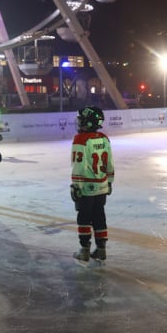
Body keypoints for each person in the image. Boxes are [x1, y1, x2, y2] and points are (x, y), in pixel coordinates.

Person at [70, 106, 114, 264]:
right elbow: (109, 163)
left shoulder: (81, 139)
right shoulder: (104, 138)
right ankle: (101, 249)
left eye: (81, 120)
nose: (79, 122)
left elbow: (79, 165)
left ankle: (84, 250)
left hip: (87, 187)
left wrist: (76, 185)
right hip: (101, 186)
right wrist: (109, 181)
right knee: (99, 216)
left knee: (84, 217)